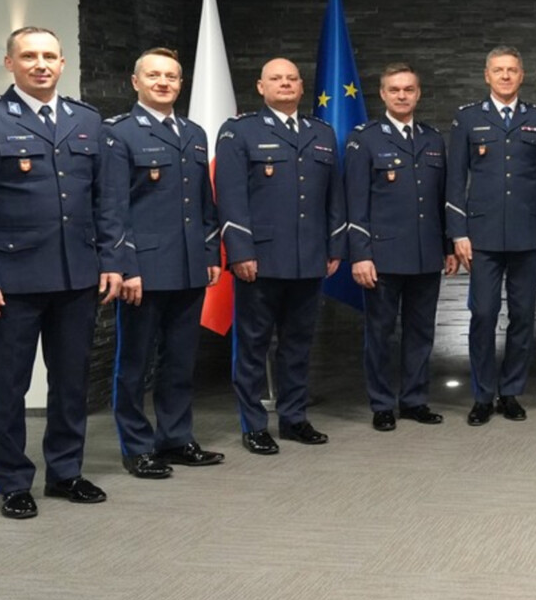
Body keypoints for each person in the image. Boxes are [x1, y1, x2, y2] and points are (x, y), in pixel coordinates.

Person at [0, 26, 125, 518]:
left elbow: (106, 201)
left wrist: (112, 260)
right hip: (13, 280)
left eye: (50, 56)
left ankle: (66, 472)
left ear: (63, 63)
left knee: (71, 383)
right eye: (29, 56)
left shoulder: (87, 119)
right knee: (9, 387)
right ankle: (11, 481)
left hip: (77, 277)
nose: (41, 64)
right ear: (10, 63)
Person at [102, 47, 226, 479]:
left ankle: (175, 438)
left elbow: (205, 203)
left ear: (180, 83)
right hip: (144, 269)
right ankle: (136, 447)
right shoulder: (118, 133)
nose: (163, 83)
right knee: (134, 365)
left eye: (171, 76)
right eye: (154, 75)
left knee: (180, 361)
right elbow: (113, 208)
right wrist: (126, 266)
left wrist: (210, 253)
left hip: (189, 265)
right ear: (135, 82)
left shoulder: (193, 133)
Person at [215, 57, 345, 454]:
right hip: (260, 259)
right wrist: (240, 251)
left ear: (302, 87)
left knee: (298, 344)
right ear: (261, 87)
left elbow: (334, 197)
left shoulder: (321, 133)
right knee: (252, 346)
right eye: (276, 78)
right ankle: (254, 424)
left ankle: (294, 418)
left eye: (291, 79)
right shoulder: (240, 131)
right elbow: (231, 197)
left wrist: (334, 246)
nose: (285, 84)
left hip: (309, 257)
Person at [346, 63, 455, 432]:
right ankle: (381, 404)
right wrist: (360, 254)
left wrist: (448, 246)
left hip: (426, 254)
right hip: (383, 256)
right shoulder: (365, 139)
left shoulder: (432, 139)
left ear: (418, 94)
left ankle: (414, 400)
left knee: (421, 332)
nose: (402, 95)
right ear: (383, 94)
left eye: (409, 89)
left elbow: (440, 200)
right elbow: (355, 201)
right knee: (379, 334)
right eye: (394, 90)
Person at [448, 46, 536, 425]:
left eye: (512, 70)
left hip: (527, 233)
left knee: (523, 316)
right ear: (487, 75)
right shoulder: (467, 118)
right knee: (483, 314)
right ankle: (482, 395)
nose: (505, 76)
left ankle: (510, 392)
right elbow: (455, 180)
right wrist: (458, 232)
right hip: (483, 235)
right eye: (498, 70)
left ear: (521, 75)